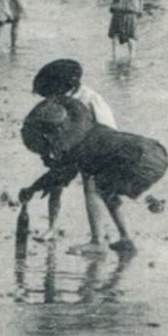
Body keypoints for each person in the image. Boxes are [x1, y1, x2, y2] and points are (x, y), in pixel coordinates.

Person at [18, 108, 168, 256]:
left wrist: (31, 189)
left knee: (94, 188)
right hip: (155, 151)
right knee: (105, 188)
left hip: (141, 160)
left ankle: (97, 242)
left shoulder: (77, 145)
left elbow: (60, 175)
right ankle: (126, 238)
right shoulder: (89, 128)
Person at [23, 59, 118, 246]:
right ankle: (52, 227)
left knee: (91, 190)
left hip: (92, 150)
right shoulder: (58, 100)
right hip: (68, 149)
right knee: (54, 186)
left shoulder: (91, 98)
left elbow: (108, 129)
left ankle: (97, 238)